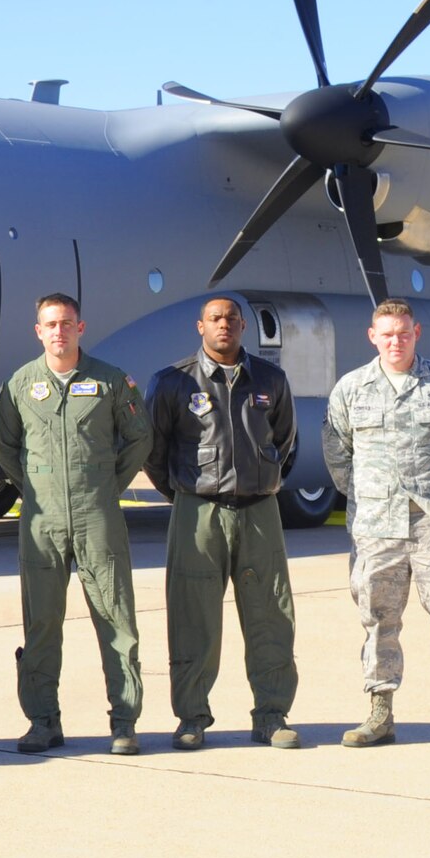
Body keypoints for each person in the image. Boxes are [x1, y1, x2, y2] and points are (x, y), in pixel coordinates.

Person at [324, 298, 430, 755]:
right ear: (372, 336)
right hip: (377, 524)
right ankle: (380, 714)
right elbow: (339, 454)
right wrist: (369, 496)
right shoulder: (352, 389)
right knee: (378, 620)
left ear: (416, 332)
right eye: (387, 334)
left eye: (403, 333)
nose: (395, 341)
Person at [0, 292, 153, 755]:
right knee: (41, 624)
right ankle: (43, 720)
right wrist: (36, 492)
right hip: (42, 523)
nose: (58, 332)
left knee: (116, 620)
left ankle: (124, 721)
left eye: (66, 323)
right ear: (37, 331)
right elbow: (7, 448)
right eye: (50, 324)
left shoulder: (108, 381)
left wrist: (105, 486)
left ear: (80, 328)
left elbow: (139, 438)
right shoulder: (21, 384)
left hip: (96, 516)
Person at [144, 296, 300, 751]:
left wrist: (263, 480)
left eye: (232, 318)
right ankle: (192, 717)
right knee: (193, 619)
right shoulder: (172, 382)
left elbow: (285, 440)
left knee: (271, 615)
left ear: (244, 327)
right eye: (215, 318)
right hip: (198, 512)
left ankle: (272, 715)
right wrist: (184, 494)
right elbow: (155, 451)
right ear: (200, 327)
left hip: (258, 512)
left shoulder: (270, 379)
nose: (224, 325)